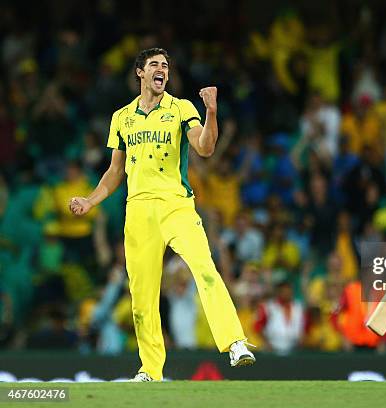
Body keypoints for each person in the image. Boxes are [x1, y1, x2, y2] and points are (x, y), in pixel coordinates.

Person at [69, 48, 255, 382]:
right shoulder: (121, 117)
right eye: (154, 64)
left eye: (166, 66)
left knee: (204, 268)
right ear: (140, 72)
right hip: (138, 210)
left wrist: (211, 113)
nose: (161, 70)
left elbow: (205, 147)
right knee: (141, 295)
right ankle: (151, 369)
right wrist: (91, 200)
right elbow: (115, 171)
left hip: (176, 204)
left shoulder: (182, 108)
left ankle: (235, 343)